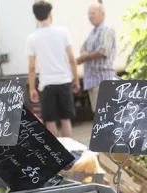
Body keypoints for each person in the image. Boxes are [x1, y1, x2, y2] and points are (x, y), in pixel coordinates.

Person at [26, 1, 80, 138]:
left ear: (35, 16)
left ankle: (58, 156)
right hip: (63, 81)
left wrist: (32, 88)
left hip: (46, 85)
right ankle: (70, 152)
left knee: (50, 121)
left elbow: (32, 67)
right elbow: (72, 59)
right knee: (65, 119)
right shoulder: (63, 32)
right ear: (50, 14)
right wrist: (76, 79)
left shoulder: (32, 38)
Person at [77, 2, 118, 113]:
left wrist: (84, 57)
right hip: (92, 80)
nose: (90, 16)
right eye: (89, 14)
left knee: (105, 113)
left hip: (102, 79)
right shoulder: (93, 32)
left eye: (93, 13)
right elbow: (83, 48)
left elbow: (103, 51)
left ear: (102, 14)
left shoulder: (106, 29)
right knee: (98, 113)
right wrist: (81, 57)